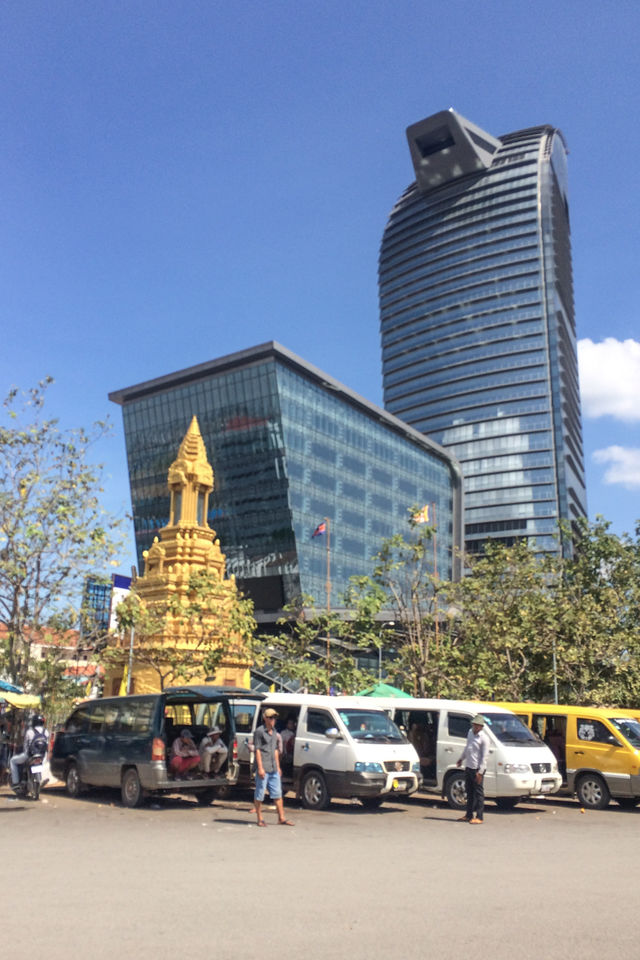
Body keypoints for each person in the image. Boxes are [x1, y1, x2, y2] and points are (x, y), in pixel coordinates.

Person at [253, 708, 294, 827]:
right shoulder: (259, 732)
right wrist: (260, 767)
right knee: (260, 793)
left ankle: (281, 817)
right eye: (270, 718)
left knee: (278, 794)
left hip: (273, 768)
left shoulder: (275, 732)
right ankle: (260, 818)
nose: (273, 720)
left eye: (274, 718)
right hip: (263, 767)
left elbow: (275, 750)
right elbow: (258, 750)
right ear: (265, 718)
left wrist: (278, 766)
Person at [456, 714, 490, 824]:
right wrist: (461, 758)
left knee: (478, 793)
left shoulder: (484, 738)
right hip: (469, 766)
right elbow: (468, 748)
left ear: (481, 726)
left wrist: (480, 773)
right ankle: (468, 814)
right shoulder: (470, 733)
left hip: (477, 769)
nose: (474, 727)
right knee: (469, 792)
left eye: (477, 725)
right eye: (473, 724)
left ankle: (479, 816)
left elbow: (484, 757)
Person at [10, 714, 49, 792]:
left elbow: (25, 745)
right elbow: (47, 745)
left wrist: (26, 753)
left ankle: (15, 783)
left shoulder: (30, 732)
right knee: (44, 765)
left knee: (12, 761)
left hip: (30, 755)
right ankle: (40, 779)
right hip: (42, 756)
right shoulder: (46, 732)